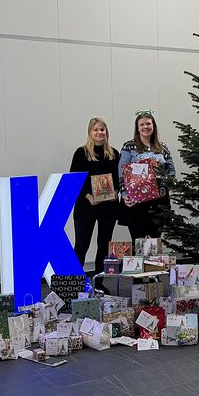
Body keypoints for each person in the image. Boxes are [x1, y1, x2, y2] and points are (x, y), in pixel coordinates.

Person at [70, 117, 120, 292]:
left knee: (103, 246)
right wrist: (88, 196)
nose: (100, 133)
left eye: (102, 129)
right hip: (86, 206)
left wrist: (116, 192)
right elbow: (74, 180)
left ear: (107, 132)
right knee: (81, 246)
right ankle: (74, 285)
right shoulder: (81, 153)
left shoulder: (114, 154)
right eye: (96, 129)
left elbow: (118, 179)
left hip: (108, 207)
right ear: (90, 132)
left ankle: (99, 284)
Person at [118, 111, 176, 241]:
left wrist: (164, 188)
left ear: (153, 126)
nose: (146, 127)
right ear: (137, 128)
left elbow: (171, 171)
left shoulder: (162, 148)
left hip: (158, 201)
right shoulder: (129, 147)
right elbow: (121, 171)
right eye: (142, 124)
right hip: (136, 202)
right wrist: (124, 194)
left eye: (148, 124)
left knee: (154, 242)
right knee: (138, 242)